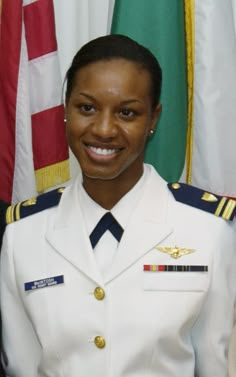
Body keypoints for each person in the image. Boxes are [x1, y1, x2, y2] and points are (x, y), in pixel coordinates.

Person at [0, 34, 236, 377]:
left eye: (127, 112)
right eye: (87, 108)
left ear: (153, 119)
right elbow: (22, 365)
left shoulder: (209, 231)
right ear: (65, 109)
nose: (104, 129)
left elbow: (217, 363)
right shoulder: (23, 235)